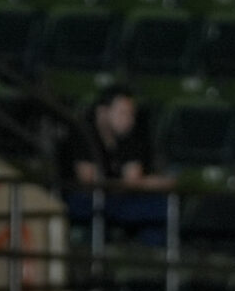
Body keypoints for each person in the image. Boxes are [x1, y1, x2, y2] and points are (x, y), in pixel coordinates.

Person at [65, 85, 174, 237]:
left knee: (160, 206)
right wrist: (144, 183)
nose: (129, 120)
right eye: (123, 113)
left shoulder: (128, 139)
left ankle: (150, 254)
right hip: (87, 200)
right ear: (102, 112)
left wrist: (142, 183)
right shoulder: (84, 135)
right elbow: (88, 182)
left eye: (131, 114)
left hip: (117, 199)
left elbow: (133, 178)